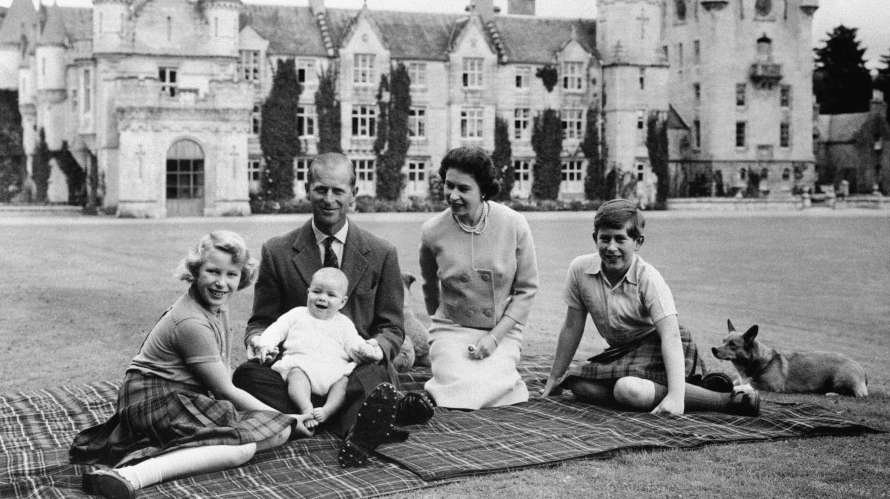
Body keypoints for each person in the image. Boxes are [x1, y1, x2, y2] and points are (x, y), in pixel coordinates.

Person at [71, 231, 311, 499]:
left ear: (242, 277)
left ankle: (163, 452)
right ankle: (131, 475)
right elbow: (225, 392)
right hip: (152, 399)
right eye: (212, 272)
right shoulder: (191, 322)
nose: (222, 283)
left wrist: (278, 422)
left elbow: (224, 375)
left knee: (274, 433)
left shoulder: (217, 305)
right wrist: (288, 418)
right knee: (245, 445)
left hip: (180, 397)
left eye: (231, 274)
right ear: (195, 271)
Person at [232, 152, 434, 467]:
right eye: (321, 189)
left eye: (338, 191)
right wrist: (259, 344)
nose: (329, 199)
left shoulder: (381, 253)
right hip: (296, 376)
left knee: (376, 376)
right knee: (246, 376)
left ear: (353, 194)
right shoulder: (278, 251)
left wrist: (375, 349)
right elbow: (261, 321)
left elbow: (392, 328)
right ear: (307, 189)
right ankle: (363, 419)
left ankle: (326, 422)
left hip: (352, 373)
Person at [541, 199, 759, 417]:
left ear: (637, 242)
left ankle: (728, 399)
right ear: (594, 239)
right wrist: (553, 379)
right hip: (622, 352)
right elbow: (571, 327)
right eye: (605, 239)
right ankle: (696, 389)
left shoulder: (649, 278)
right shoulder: (580, 270)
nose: (611, 247)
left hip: (663, 346)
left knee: (628, 389)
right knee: (578, 384)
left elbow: (671, 336)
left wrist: (675, 398)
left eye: (620, 239)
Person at [419, 146, 539, 409]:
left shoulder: (514, 224)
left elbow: (527, 290)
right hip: (451, 327)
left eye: (463, 189)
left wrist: (495, 337)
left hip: (501, 330)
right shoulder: (432, 231)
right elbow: (429, 287)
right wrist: (445, 329)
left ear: (483, 190)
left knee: (493, 385)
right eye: (448, 186)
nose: (453, 196)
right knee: (457, 385)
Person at [254, 268, 382, 429]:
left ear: (342, 302)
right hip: (302, 364)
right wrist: (266, 344)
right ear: (308, 292)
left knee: (343, 382)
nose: (322, 298)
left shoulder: (344, 323)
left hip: (333, 370)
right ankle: (306, 409)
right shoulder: (297, 314)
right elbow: (277, 329)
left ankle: (328, 410)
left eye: (331, 295)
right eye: (317, 291)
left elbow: (353, 344)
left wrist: (366, 349)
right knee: (296, 376)